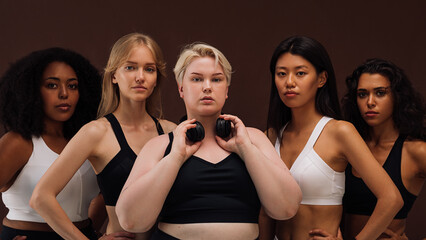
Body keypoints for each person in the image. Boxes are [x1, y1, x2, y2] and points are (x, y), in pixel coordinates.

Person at [115, 43, 302, 240]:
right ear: (181, 89)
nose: (207, 87)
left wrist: (246, 149)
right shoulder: (160, 146)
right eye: (196, 79)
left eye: (216, 79)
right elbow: (130, 220)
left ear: (227, 89)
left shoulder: (253, 139)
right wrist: (175, 158)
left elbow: (286, 208)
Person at [30, 33, 176, 240]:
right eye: (130, 67)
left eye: (149, 69)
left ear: (156, 79)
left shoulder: (172, 132)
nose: (140, 76)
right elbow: (40, 198)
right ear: (114, 75)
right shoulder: (96, 132)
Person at [259, 36, 403, 240]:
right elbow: (266, 212)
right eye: (281, 74)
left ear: (321, 79)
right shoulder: (270, 137)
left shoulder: (339, 132)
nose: (289, 82)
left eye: (300, 73)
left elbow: (391, 198)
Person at [0, 47, 103, 239]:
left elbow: (105, 193)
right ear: (31, 91)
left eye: (72, 86)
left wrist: (89, 231)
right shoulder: (19, 142)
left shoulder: (87, 139)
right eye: (52, 85)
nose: (64, 94)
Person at [340, 58, 426, 239]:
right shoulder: (349, 145)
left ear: (397, 96)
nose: (370, 102)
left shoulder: (415, 151)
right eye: (362, 94)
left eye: (380, 93)